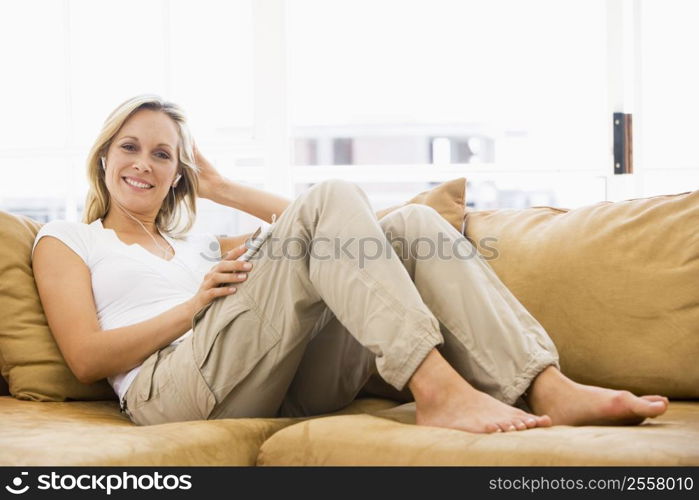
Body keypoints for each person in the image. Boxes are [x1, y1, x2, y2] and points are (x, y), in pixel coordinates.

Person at [32, 95, 669, 433]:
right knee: (334, 199)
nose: (143, 163)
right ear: (104, 156)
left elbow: (331, 229)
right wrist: (195, 306)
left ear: (179, 175)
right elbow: (87, 357)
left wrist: (221, 190)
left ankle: (545, 384)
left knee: (413, 227)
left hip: (269, 383)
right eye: (130, 147)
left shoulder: (196, 242)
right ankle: (437, 389)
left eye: (163, 154)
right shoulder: (69, 238)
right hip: (169, 391)